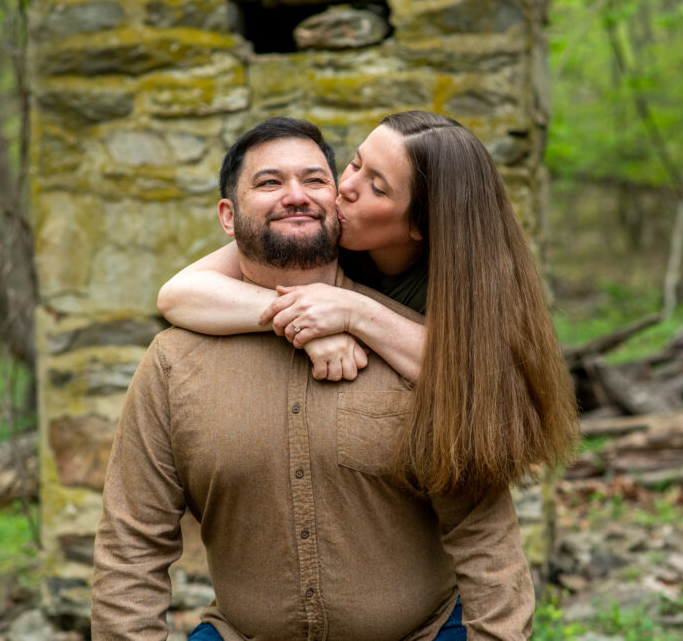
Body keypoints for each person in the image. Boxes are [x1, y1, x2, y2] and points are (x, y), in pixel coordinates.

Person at [92, 117, 536, 640]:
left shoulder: (424, 347)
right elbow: (131, 548)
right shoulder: (172, 363)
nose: (297, 195)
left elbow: (487, 543)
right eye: (269, 182)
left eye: (315, 179)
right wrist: (301, 320)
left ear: (338, 213)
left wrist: (354, 313)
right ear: (228, 218)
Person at [157, 110, 578, 500]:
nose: (346, 188)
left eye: (376, 186)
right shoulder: (322, 235)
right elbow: (180, 294)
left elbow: (488, 392)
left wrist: (354, 313)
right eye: (355, 164)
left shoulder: (474, 283)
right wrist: (306, 322)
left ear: (420, 225)